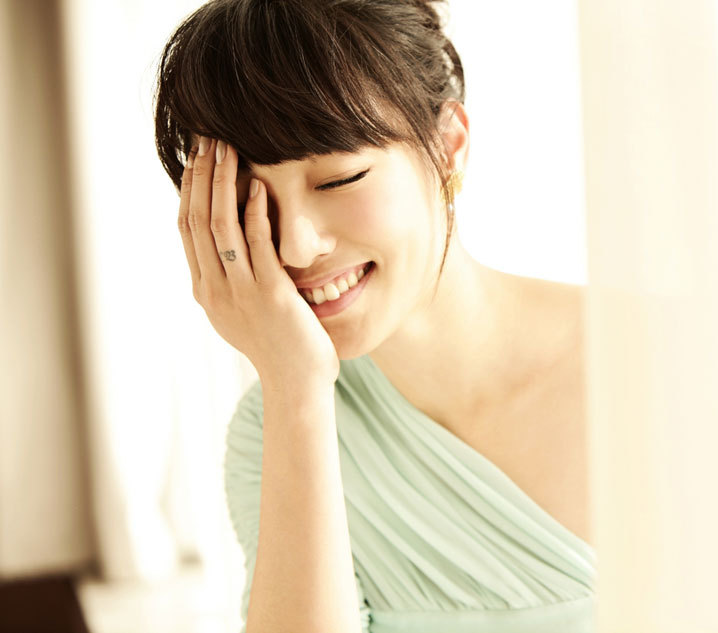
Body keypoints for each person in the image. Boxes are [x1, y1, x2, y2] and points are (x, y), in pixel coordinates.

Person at [153, 1, 594, 631]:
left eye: (338, 180)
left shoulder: (656, 361)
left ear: (448, 147)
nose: (296, 246)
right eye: (250, 202)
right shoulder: (273, 431)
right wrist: (296, 392)